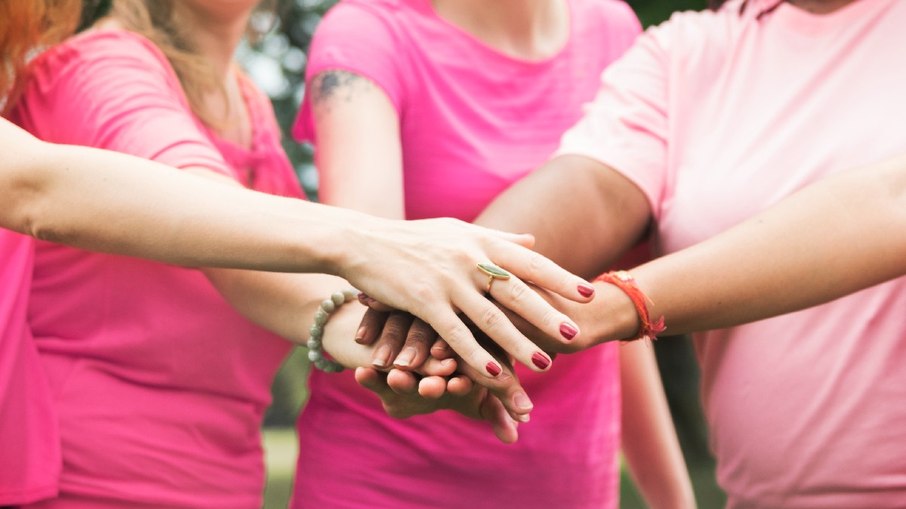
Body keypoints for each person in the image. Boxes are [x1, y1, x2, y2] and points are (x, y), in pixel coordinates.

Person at [4, 0, 594, 506]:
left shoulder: (246, 99)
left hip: (223, 480)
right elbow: (221, 236)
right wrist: (382, 257)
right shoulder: (96, 67)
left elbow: (287, 278)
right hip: (89, 477)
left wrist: (409, 353)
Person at [372, 0, 906, 507]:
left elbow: (891, 202)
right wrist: (445, 307)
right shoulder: (688, 51)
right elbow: (594, 188)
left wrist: (617, 304)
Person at [293, 0, 693, 507]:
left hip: (568, 478)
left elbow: (606, 301)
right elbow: (368, 264)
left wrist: (673, 497)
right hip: (386, 475)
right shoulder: (367, 33)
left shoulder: (613, 28)